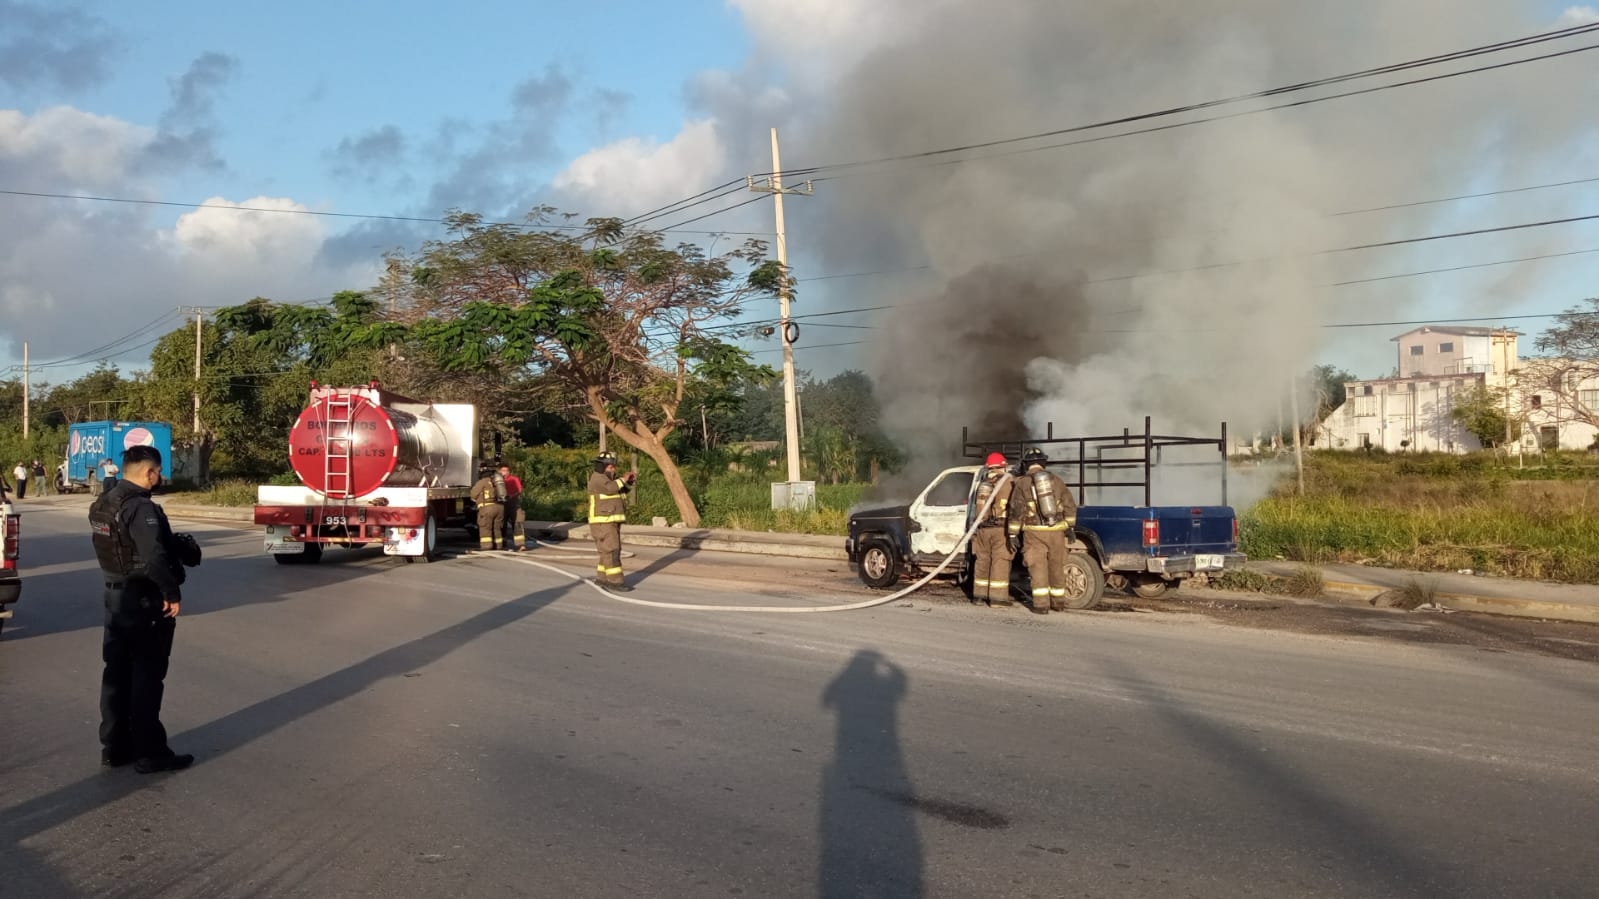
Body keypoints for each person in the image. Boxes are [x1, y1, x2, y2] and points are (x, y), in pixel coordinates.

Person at [90, 444, 199, 773]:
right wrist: (171, 591)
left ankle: (115, 747)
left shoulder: (103, 503)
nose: (159, 477)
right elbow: (153, 556)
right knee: (147, 675)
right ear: (149, 471)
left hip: (115, 597)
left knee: (117, 673)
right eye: (157, 471)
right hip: (143, 599)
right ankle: (151, 752)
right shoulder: (141, 508)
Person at [1005, 448, 1078, 615]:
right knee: (1056, 566)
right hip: (1057, 532)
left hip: (1034, 533)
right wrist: (1070, 527)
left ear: (1026, 464)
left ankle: (1041, 605)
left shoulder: (1022, 483)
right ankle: (1058, 602)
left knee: (1037, 567)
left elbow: (1016, 510)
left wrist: (1012, 534)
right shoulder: (1057, 480)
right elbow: (1069, 505)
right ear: (1043, 463)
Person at [969, 452, 1015, 607]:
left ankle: (979, 596)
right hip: (999, 528)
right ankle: (997, 598)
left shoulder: (983, 484)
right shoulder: (1006, 482)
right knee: (999, 561)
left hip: (982, 529)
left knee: (982, 560)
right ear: (1003, 466)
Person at [587, 452, 635, 591]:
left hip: (610, 521)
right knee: (612, 550)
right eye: (610, 466)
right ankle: (615, 581)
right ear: (602, 466)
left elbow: (620, 491)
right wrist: (623, 479)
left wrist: (628, 482)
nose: (613, 469)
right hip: (603, 522)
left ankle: (602, 578)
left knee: (606, 551)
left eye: (614, 466)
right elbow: (610, 488)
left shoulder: (610, 479)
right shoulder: (597, 478)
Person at [470, 466, 506, 551]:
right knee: (497, 528)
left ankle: (487, 546)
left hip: (487, 508)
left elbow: (473, 494)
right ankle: (498, 545)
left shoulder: (482, 482)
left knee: (485, 528)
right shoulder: (496, 482)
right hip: (499, 508)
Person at [498, 463, 527, 552]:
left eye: (506, 471)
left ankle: (520, 544)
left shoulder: (514, 479)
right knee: (502, 524)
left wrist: (511, 495)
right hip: (502, 504)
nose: (505, 473)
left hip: (513, 504)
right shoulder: (498, 481)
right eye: (503, 471)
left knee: (517, 523)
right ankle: (502, 543)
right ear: (499, 471)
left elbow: (519, 490)